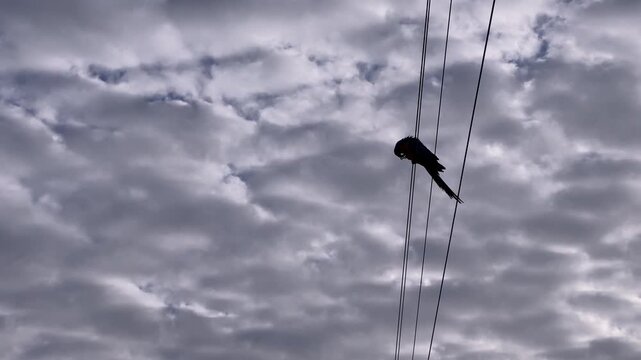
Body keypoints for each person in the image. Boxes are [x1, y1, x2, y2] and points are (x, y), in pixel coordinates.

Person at [394, 136, 463, 204]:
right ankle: (451, 193)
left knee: (437, 179)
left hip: (428, 160)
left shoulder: (410, 144)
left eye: (404, 154)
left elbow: (423, 155)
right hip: (427, 160)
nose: (406, 156)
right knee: (437, 179)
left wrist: (415, 159)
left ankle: (451, 193)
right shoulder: (410, 144)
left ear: (402, 147)